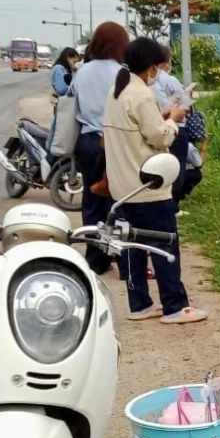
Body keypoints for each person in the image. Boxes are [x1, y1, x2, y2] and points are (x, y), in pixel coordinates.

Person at [102, 36, 204, 325]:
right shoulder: (142, 94)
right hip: (148, 187)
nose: (158, 72)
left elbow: (137, 127)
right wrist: (173, 120)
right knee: (165, 245)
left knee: (133, 246)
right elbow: (159, 136)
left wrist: (163, 116)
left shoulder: (117, 91)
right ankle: (174, 306)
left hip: (121, 187)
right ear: (149, 67)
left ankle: (140, 304)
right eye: (158, 67)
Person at [68, 22, 130, 274]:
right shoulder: (121, 73)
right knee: (117, 202)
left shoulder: (81, 71)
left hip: (86, 142)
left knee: (92, 201)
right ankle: (122, 258)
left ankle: (96, 259)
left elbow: (71, 99)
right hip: (112, 142)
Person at [150, 46, 193, 208]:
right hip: (176, 127)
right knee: (176, 168)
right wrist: (186, 96)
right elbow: (184, 105)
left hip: (156, 129)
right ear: (166, 63)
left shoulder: (146, 81)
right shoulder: (170, 80)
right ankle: (173, 205)